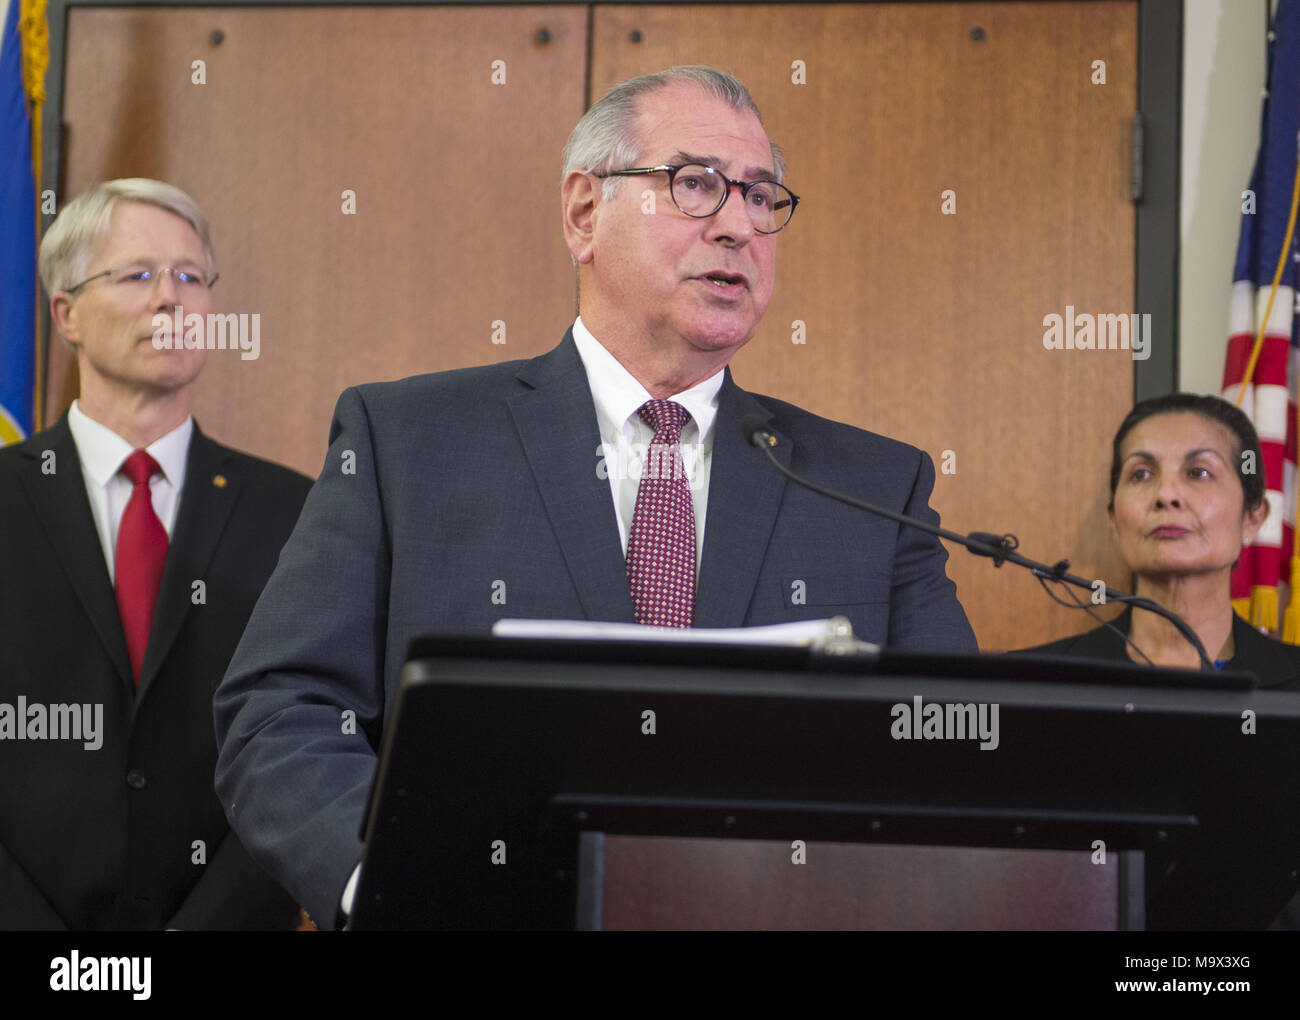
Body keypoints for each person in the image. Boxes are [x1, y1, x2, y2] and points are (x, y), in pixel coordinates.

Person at [214, 65, 977, 930]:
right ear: (584, 212)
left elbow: (955, 741)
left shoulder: (872, 486)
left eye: (762, 197)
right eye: (696, 185)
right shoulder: (408, 442)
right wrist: (389, 885)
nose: (738, 226)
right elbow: (281, 712)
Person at [0, 179, 311, 928]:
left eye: (190, 277)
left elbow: (311, 744)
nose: (170, 299)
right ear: (65, 313)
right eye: (137, 275)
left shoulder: (297, 513)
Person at [1018, 392, 1299, 928]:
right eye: (1141, 474)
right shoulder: (1033, 689)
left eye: (1199, 472)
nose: (1167, 494)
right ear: (1113, 517)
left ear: (1253, 517)